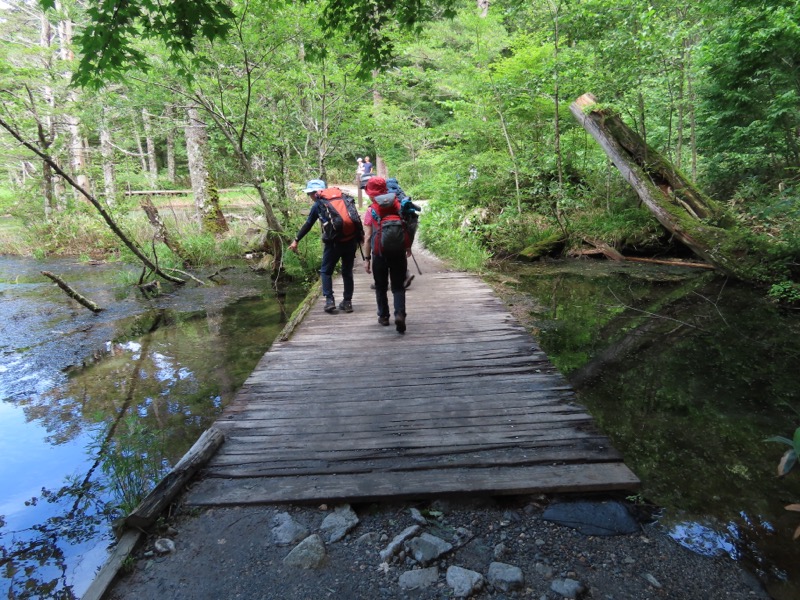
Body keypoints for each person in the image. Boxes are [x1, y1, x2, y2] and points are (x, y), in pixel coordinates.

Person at [289, 179, 360, 314]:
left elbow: (308, 224)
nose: (309, 196)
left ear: (315, 193)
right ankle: (347, 302)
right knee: (347, 271)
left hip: (333, 244)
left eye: (309, 193)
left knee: (326, 271)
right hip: (350, 241)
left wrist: (296, 240)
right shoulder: (344, 199)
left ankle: (329, 301)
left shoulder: (319, 204)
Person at [362, 176, 411, 333]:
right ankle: (400, 314)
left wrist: (367, 259)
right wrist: (408, 247)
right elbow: (409, 226)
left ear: (371, 193)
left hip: (379, 253)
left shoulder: (371, 209)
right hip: (398, 252)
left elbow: (368, 237)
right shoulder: (398, 204)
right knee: (398, 287)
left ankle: (383, 316)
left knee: (380, 287)